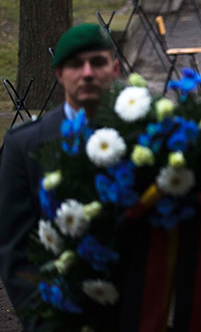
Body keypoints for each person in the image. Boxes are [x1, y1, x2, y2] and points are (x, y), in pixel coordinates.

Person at [0, 24, 120, 332]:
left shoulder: (144, 137)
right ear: (58, 73)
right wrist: (44, 321)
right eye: (75, 65)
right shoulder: (23, 146)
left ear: (115, 68)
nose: (87, 73)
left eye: (97, 62)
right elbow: (16, 251)